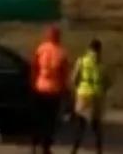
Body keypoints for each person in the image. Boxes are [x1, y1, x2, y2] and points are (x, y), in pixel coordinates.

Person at [29, 25, 69, 154]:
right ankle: (45, 146)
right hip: (54, 91)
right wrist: (64, 90)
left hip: (40, 88)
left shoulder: (41, 49)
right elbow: (64, 73)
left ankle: (35, 144)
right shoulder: (61, 52)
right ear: (58, 37)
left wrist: (33, 83)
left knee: (39, 118)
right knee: (50, 121)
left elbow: (34, 67)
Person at [71, 39, 107, 154]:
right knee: (96, 127)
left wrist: (77, 89)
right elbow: (108, 82)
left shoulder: (81, 61)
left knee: (80, 126)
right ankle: (99, 150)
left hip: (83, 95)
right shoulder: (102, 64)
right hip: (97, 96)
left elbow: (74, 78)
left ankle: (74, 150)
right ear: (99, 49)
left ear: (89, 48)